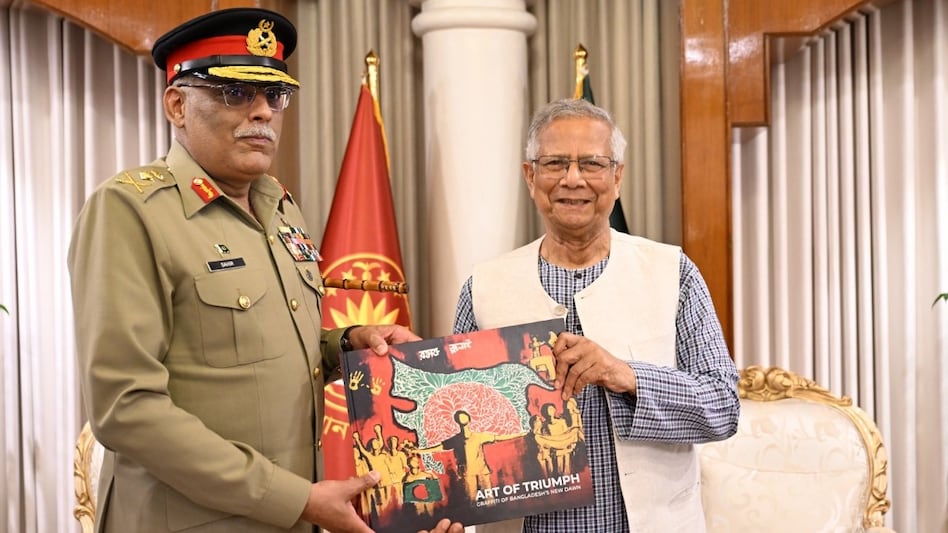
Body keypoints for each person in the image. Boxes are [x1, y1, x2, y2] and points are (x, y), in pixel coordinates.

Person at [67, 8, 462, 533]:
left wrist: (348, 344)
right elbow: (127, 408)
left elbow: (261, 346)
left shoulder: (278, 207)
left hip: (296, 515)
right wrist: (295, 498)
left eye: (274, 95)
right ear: (177, 104)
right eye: (235, 92)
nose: (263, 112)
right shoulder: (132, 211)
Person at [452, 98, 740, 532]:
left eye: (592, 163)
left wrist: (626, 375)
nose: (573, 179)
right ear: (530, 176)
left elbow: (723, 405)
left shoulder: (672, 273)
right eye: (554, 163)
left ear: (617, 176)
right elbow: (458, 431)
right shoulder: (484, 287)